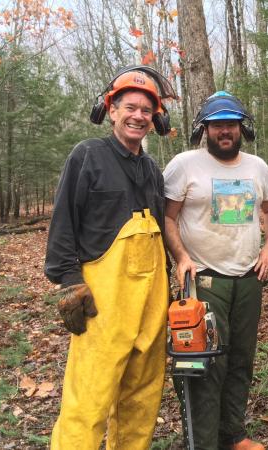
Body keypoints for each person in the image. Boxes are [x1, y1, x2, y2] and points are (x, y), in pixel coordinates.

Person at [44, 66, 173, 449]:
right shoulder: (88, 155)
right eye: (129, 107)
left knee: (142, 395)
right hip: (104, 301)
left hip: (151, 299)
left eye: (146, 111)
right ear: (111, 110)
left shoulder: (151, 170)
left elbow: (162, 233)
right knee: (90, 397)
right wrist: (69, 281)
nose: (138, 116)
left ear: (155, 119)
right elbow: (64, 219)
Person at [163, 91, 268, 450]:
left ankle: (233, 434)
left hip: (247, 278)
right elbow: (167, 217)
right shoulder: (184, 165)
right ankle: (204, 441)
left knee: (241, 360)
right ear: (204, 129)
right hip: (204, 279)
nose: (224, 132)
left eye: (230, 125)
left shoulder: (257, 166)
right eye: (217, 126)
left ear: (241, 128)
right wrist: (181, 257)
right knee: (205, 362)